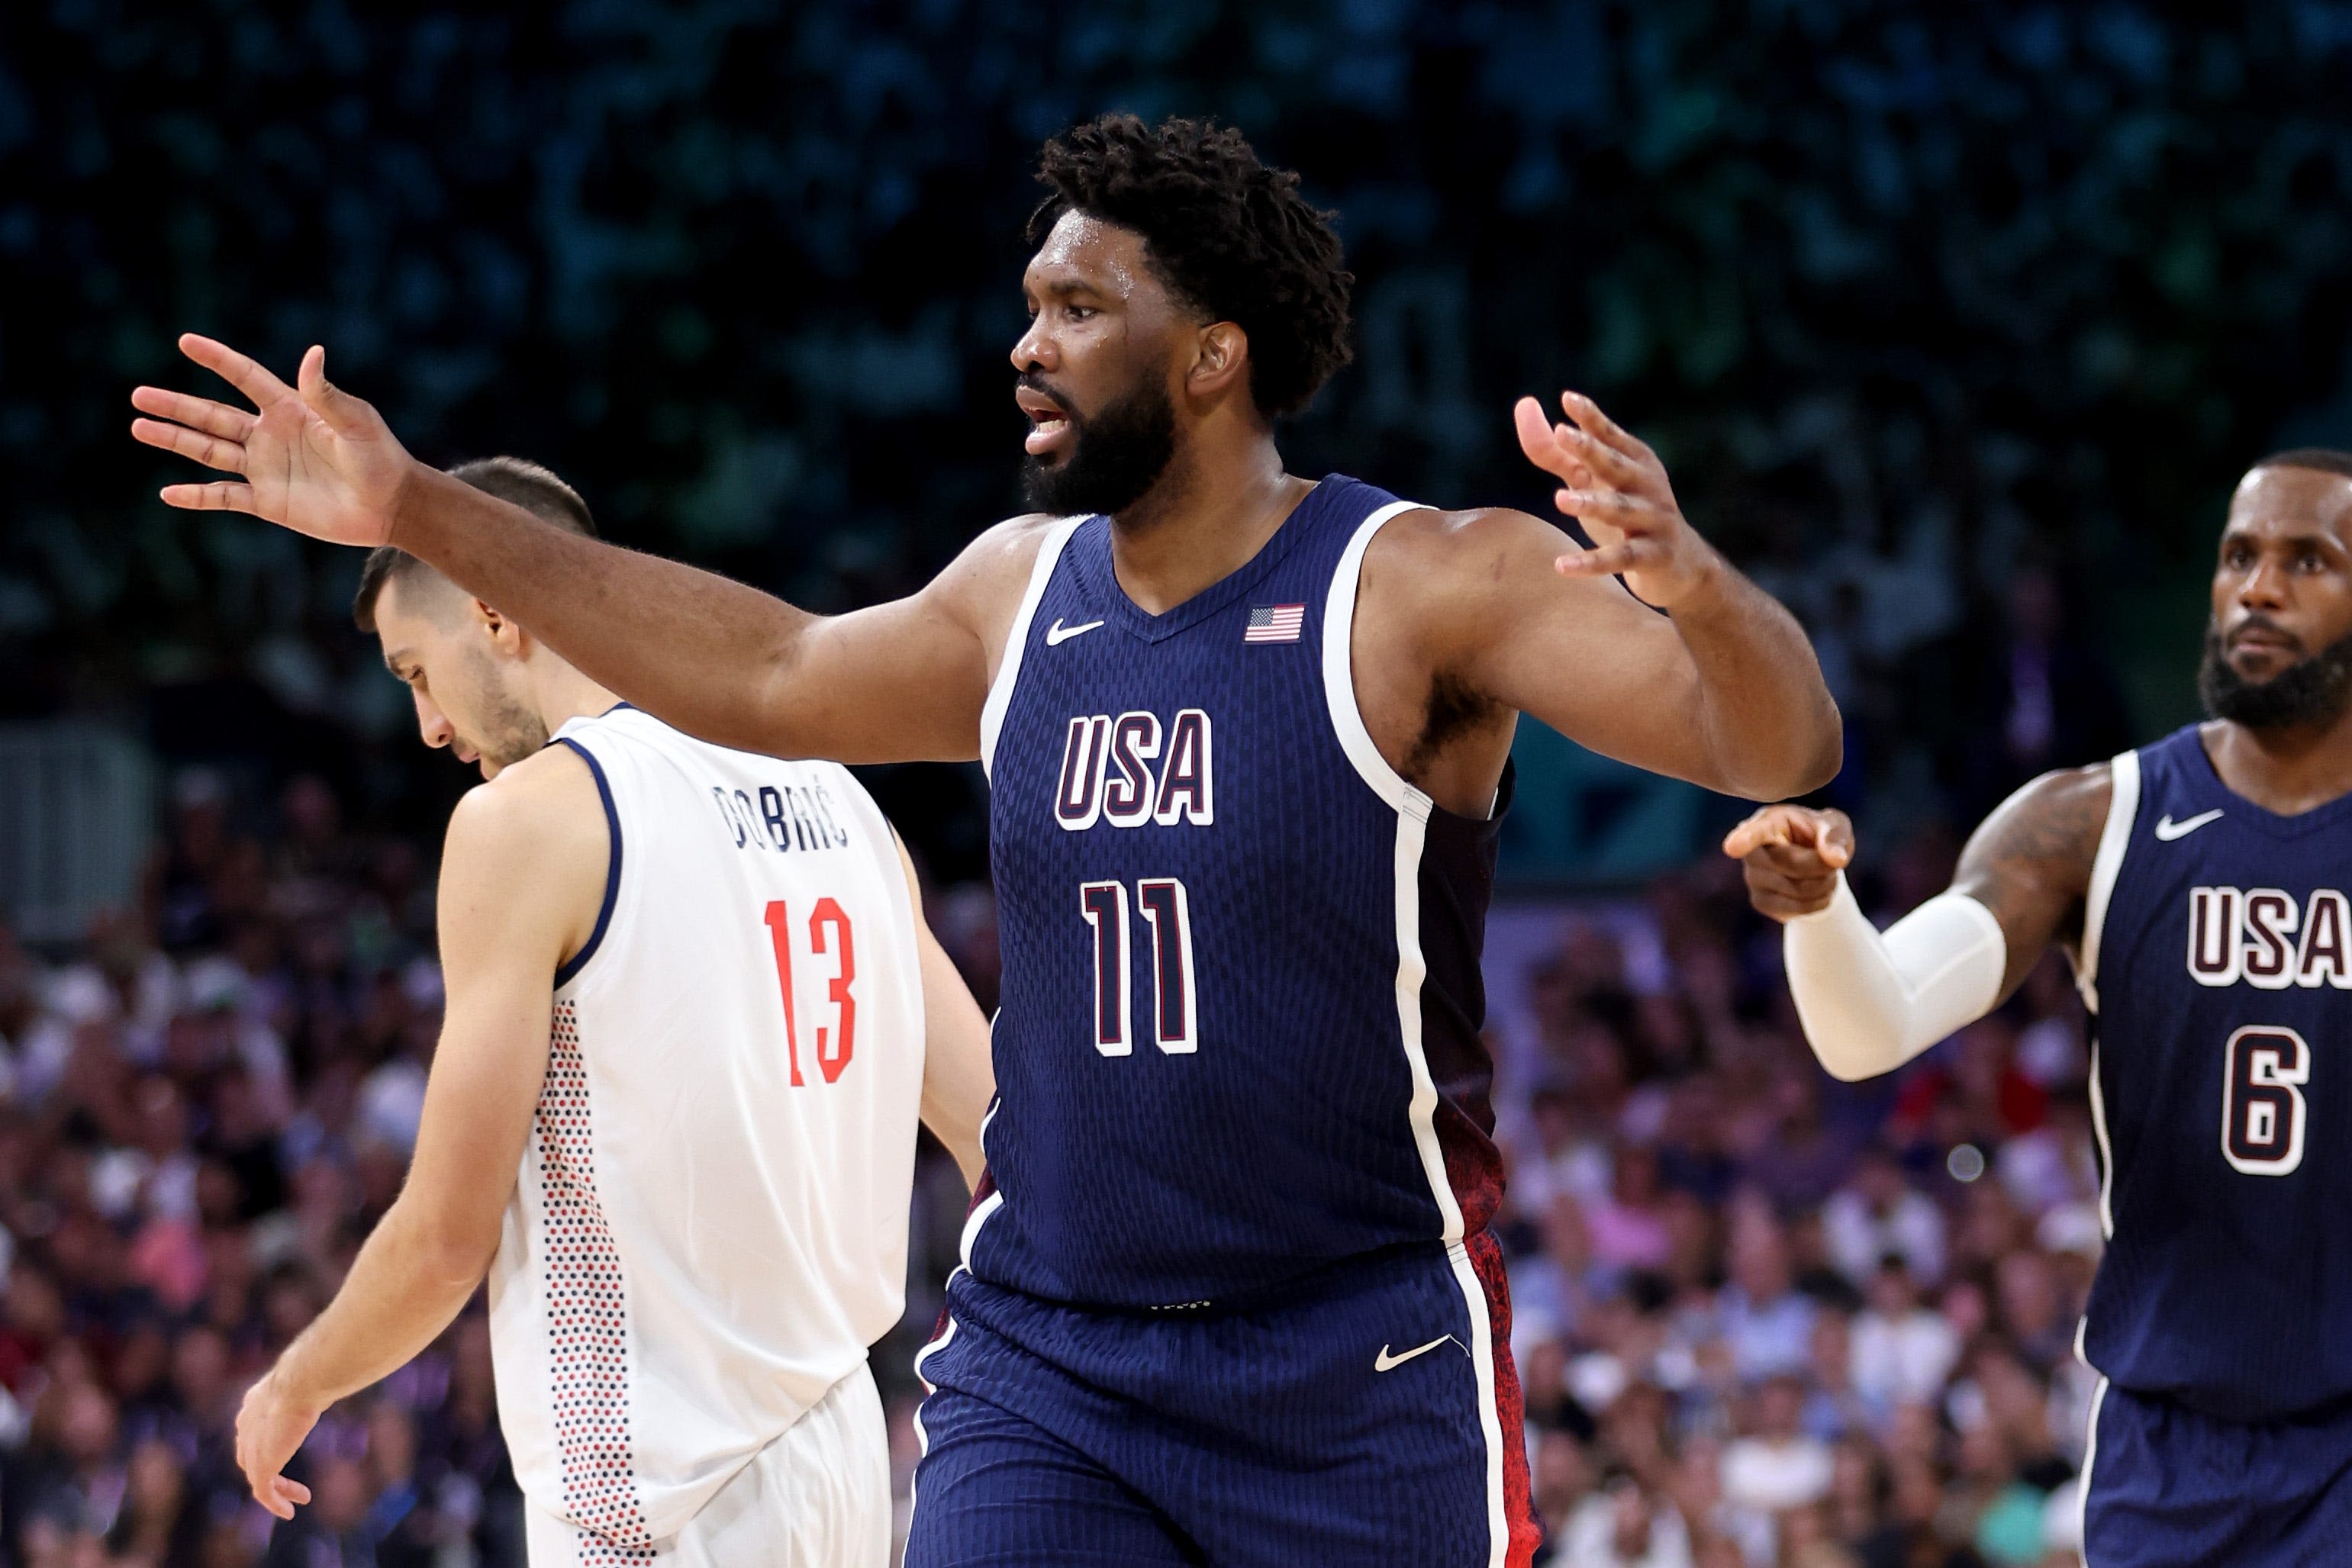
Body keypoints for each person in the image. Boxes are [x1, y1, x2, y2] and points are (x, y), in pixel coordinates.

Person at [134, 115, 1840, 1567]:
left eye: (1077, 306)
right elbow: (770, 665)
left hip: (1353, 1359)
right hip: (1054, 1360)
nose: (1025, 343)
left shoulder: (1413, 588)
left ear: (1210, 351)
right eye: (1026, 303)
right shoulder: (1013, 597)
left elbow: (1772, 738)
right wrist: (423, 506)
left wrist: (1689, 580)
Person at [224, 457, 997, 1566]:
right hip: (845, 1465)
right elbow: (998, 1131)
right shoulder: (838, 793)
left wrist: (299, 1377)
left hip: (659, 1494)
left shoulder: (527, 821)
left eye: (416, 670)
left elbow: (448, 1239)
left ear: (495, 613)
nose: (428, 726)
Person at [1724, 450, 2352, 1564]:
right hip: (2169, 1450)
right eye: (2238, 555)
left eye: (2309, 561)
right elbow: (1868, 1030)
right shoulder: (2088, 821)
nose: (2257, 587)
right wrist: (1819, 911)